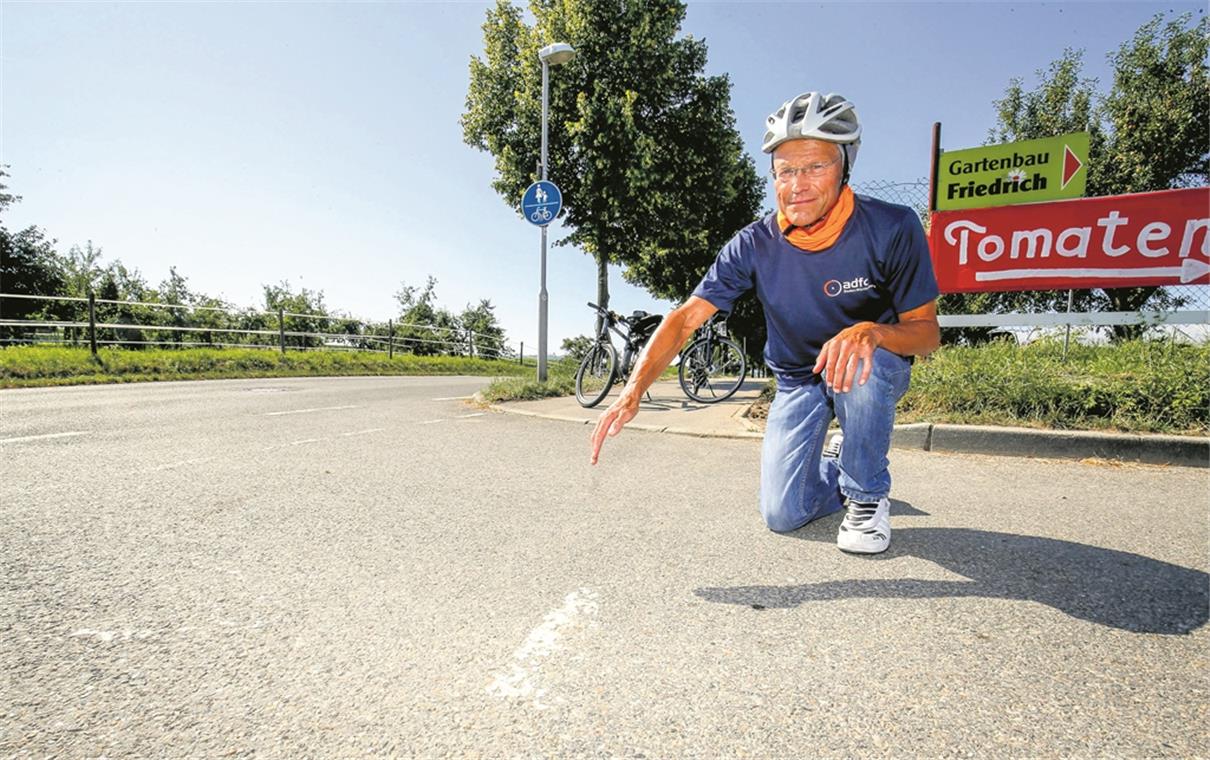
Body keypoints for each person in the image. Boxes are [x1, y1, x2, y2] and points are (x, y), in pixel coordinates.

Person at [588, 91, 940, 555]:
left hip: (869, 368)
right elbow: (685, 318)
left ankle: (866, 496)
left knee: (859, 362)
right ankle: (840, 462)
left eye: (816, 167)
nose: (799, 184)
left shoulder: (891, 226)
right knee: (782, 514)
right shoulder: (753, 243)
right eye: (786, 171)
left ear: (844, 167)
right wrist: (631, 392)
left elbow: (927, 334)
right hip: (798, 379)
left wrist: (871, 331)